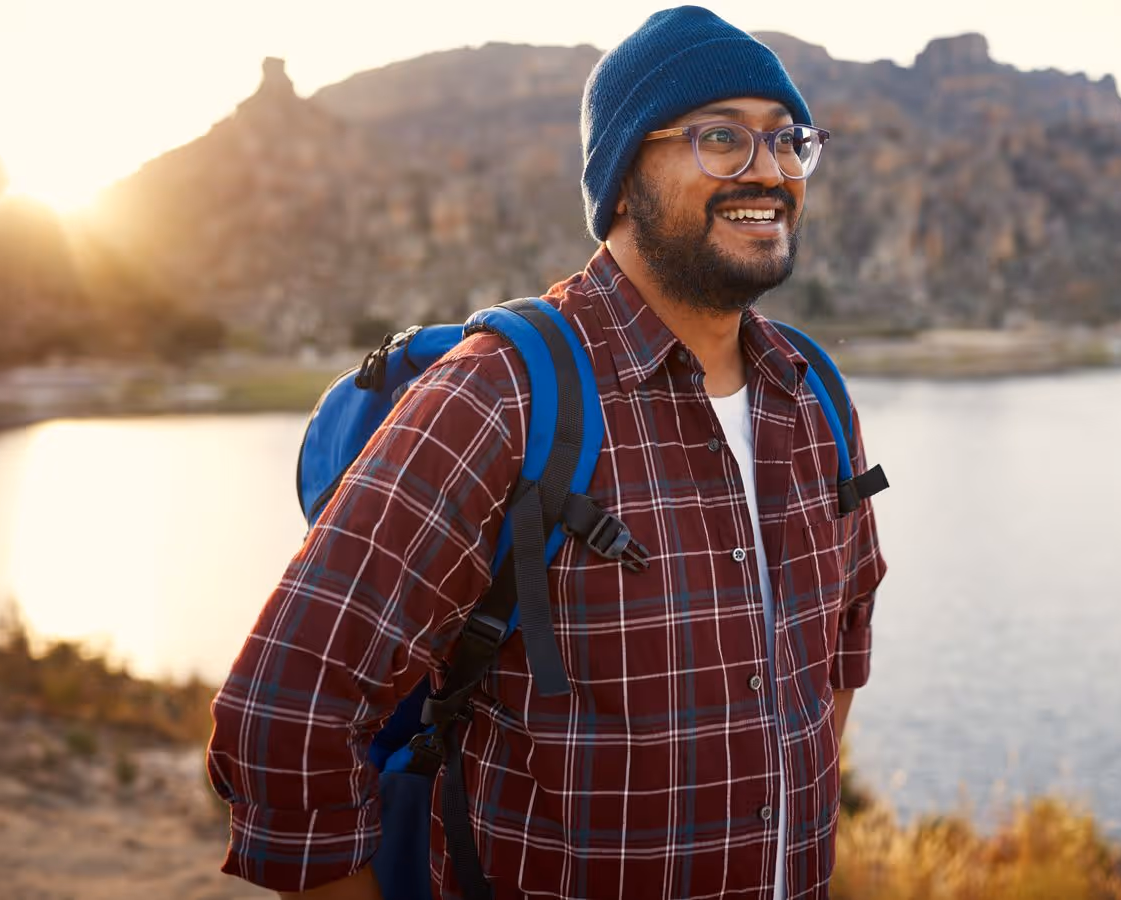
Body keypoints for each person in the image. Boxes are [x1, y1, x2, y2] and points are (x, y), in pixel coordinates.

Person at [208, 6, 887, 899]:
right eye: (721, 138)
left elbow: (839, 650)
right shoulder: (500, 395)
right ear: (623, 175)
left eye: (788, 139)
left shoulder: (814, 394)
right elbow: (283, 716)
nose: (768, 171)